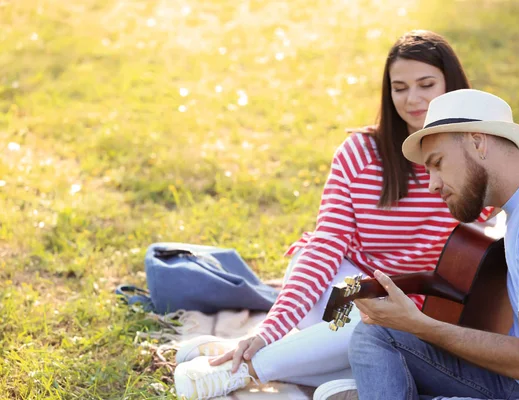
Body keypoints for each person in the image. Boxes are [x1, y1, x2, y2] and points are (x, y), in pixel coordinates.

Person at [172, 31, 492, 400]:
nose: (413, 99)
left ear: (451, 85)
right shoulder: (359, 153)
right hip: (343, 280)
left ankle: (242, 367)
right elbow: (326, 245)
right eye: (399, 87)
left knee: (367, 324)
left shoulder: (473, 155)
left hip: (408, 298)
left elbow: (507, 204)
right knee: (344, 313)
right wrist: (270, 328)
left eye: (426, 84)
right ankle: (292, 356)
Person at [346, 89, 519, 400]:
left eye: (437, 163)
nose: (432, 184)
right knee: (377, 334)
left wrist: (419, 324)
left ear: (477, 142)